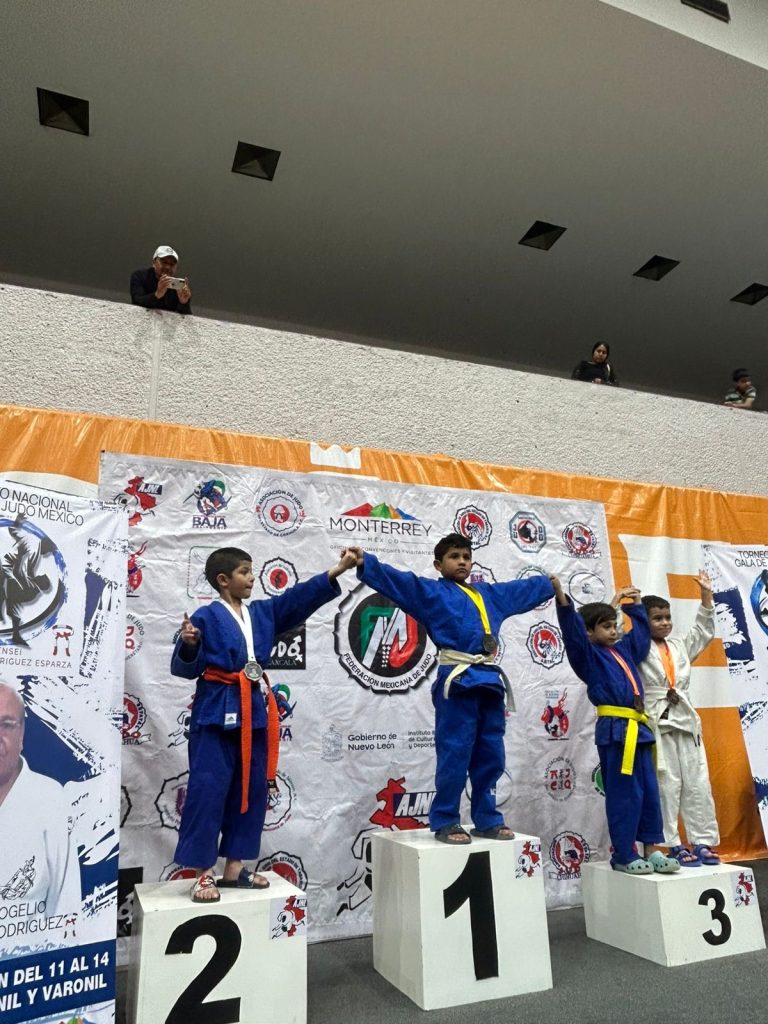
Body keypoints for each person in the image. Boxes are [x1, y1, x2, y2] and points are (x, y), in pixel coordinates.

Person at [172, 546, 357, 902]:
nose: (252, 578)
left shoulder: (261, 613)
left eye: (251, 571)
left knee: (252, 790)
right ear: (223, 580)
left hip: (254, 713)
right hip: (215, 712)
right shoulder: (205, 616)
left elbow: (297, 599)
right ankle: (202, 873)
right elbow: (184, 668)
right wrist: (190, 644)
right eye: (244, 572)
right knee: (207, 791)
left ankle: (234, 867)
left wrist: (337, 571)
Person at [347, 534, 555, 844]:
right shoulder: (431, 593)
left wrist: (547, 584)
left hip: (488, 681)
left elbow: (518, 591)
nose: (462, 562)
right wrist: (368, 563)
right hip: (456, 681)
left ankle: (487, 818)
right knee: (455, 753)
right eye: (454, 557)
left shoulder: (489, 595)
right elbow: (401, 582)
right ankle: (445, 819)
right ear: (438, 564)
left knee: (491, 755)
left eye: (466, 557)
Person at [552, 580, 679, 874]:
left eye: (614, 625)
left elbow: (641, 635)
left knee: (649, 792)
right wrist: (561, 598)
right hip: (616, 730)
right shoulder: (587, 656)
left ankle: (651, 848)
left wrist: (635, 604)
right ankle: (624, 853)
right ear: (588, 632)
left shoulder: (624, 651)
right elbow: (572, 632)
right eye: (606, 627)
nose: (613, 631)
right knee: (625, 794)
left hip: (639, 728)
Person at [625, 576, 720, 866]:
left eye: (667, 617)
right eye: (657, 618)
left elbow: (702, 631)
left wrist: (706, 597)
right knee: (665, 783)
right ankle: (671, 843)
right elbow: (615, 639)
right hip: (657, 721)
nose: (665, 623)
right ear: (645, 621)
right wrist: (628, 607)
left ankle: (701, 840)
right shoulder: (637, 647)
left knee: (697, 781)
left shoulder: (679, 645)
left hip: (686, 721)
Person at [0, 683, 81, 916]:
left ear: (22, 734)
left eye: (6, 725)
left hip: (30, 937)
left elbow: (65, 902)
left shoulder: (49, 798)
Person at [130, 245, 192, 314]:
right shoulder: (140, 276)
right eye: (164, 262)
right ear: (154, 262)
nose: (168, 267)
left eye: (172, 264)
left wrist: (184, 302)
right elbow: (136, 302)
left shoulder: (177, 286)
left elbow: (186, 317)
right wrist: (157, 295)